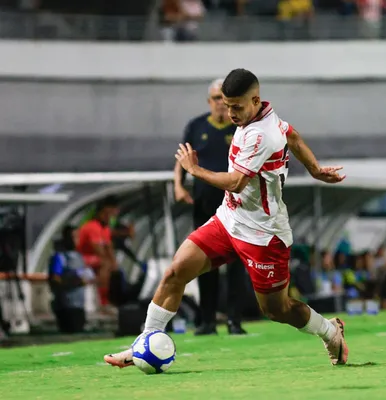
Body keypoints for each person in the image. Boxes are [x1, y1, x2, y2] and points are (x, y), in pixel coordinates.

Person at [104, 68, 349, 368]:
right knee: (175, 272)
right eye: (226, 103)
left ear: (255, 100)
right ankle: (142, 344)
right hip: (228, 219)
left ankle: (329, 330)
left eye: (236, 106)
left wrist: (194, 171)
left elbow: (236, 182)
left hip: (263, 233)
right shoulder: (265, 118)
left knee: (277, 309)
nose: (230, 112)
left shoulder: (261, 135)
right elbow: (292, 135)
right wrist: (314, 169)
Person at [174, 78, 248, 336]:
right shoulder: (196, 127)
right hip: (205, 205)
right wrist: (178, 185)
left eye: (223, 99)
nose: (220, 103)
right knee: (204, 262)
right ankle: (207, 321)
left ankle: (234, 321)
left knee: (237, 263)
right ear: (210, 101)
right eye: (216, 98)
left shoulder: (241, 128)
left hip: (236, 207)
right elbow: (182, 158)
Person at [48, 226, 95, 333]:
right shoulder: (60, 257)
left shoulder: (78, 256)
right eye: (73, 237)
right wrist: (75, 282)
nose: (76, 240)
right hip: (66, 306)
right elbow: (55, 279)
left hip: (79, 304)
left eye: (78, 237)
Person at [77, 196, 120, 309]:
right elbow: (98, 249)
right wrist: (109, 262)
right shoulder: (92, 227)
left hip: (93, 259)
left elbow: (108, 246)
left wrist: (114, 262)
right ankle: (103, 301)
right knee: (105, 265)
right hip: (83, 258)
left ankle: (114, 298)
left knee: (113, 267)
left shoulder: (105, 228)